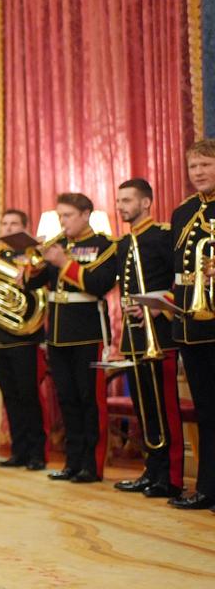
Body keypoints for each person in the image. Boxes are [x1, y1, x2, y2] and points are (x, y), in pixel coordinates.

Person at [25, 192, 115, 483]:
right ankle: (72, 462)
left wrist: (64, 262)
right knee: (66, 400)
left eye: (68, 215)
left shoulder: (104, 245)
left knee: (90, 401)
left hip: (87, 333)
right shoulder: (58, 245)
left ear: (86, 214)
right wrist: (33, 264)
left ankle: (92, 464)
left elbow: (99, 284)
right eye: (60, 215)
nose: (62, 222)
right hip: (58, 334)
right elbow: (35, 282)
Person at [112, 179, 184, 499]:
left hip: (162, 336)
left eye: (127, 200)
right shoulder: (123, 244)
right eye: (119, 200)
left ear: (146, 203)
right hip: (135, 337)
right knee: (144, 410)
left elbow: (179, 283)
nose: (121, 206)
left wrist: (158, 309)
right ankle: (151, 469)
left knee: (165, 408)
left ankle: (170, 477)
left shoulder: (163, 236)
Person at [0, 209, 47, 472]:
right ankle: (18, 451)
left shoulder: (33, 254)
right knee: (9, 396)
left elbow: (40, 285)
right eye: (4, 223)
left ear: (25, 227)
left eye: (14, 224)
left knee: (27, 395)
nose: (8, 228)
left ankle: (36, 453)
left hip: (22, 335)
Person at [168, 139, 215, 509]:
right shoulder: (183, 212)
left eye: (205, 165)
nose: (197, 172)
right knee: (204, 410)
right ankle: (206, 488)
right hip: (191, 323)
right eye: (193, 166)